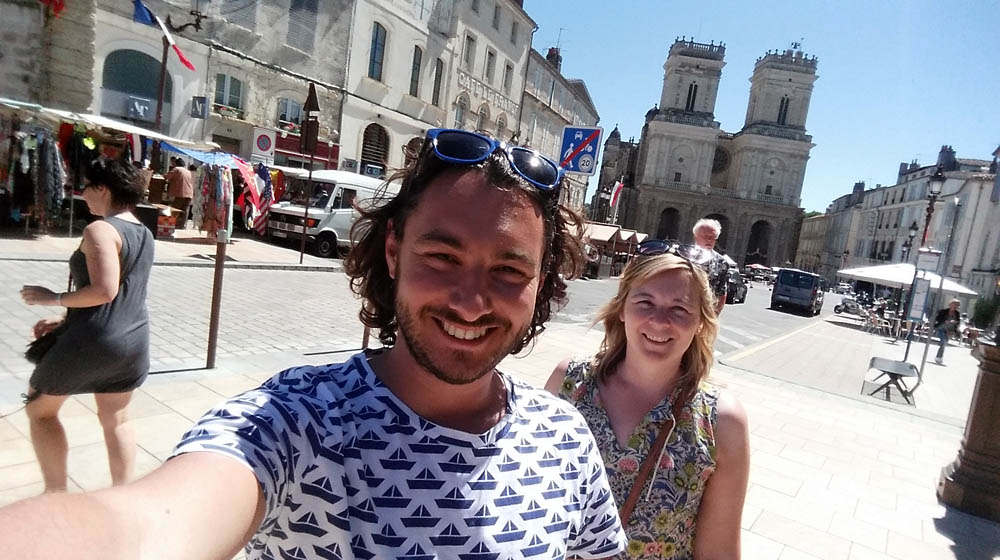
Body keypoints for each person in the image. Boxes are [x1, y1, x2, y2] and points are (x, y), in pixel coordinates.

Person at [0, 128, 628, 560]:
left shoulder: (564, 436)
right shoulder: (294, 422)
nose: (471, 301)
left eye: (510, 270)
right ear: (393, 252)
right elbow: (149, 525)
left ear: (541, 283)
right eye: (442, 256)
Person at [546, 240, 751, 559]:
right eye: (645, 302)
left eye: (679, 309)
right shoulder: (569, 385)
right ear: (622, 308)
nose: (659, 321)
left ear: (701, 321)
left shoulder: (720, 421)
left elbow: (718, 551)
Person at [18, 157, 154, 492]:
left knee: (40, 410)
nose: (82, 194)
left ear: (103, 189)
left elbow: (105, 291)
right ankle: (123, 495)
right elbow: (122, 294)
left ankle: (56, 495)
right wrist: (65, 320)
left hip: (96, 341)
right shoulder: (144, 232)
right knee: (116, 419)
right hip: (133, 341)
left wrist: (53, 298)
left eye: (86, 187)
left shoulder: (100, 230)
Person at [692, 218, 730, 313]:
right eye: (705, 236)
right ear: (695, 237)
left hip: (705, 311)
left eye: (713, 237)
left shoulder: (721, 262)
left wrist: (714, 316)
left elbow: (722, 293)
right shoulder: (683, 255)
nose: (709, 240)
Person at [165, 156, 194, 229]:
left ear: (176, 164)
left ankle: (171, 224)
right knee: (185, 210)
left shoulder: (176, 169)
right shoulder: (188, 171)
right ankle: (182, 226)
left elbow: (167, 177)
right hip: (189, 193)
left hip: (180, 193)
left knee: (175, 209)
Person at [933, 298, 961, 364]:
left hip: (949, 331)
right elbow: (938, 319)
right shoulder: (943, 311)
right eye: (954, 304)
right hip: (941, 328)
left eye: (957, 305)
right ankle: (939, 357)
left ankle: (939, 357)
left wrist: (955, 322)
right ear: (950, 304)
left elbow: (958, 322)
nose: (955, 306)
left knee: (944, 343)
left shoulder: (957, 313)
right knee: (943, 342)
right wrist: (945, 321)